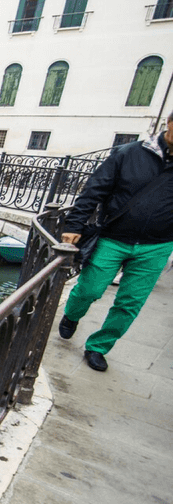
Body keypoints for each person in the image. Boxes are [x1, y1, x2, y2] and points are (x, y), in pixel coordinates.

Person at [58, 111, 173, 372]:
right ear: (168, 123)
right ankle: (72, 314)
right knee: (90, 289)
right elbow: (94, 189)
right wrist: (75, 225)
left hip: (158, 245)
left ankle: (98, 347)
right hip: (113, 237)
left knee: (130, 303)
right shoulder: (129, 153)